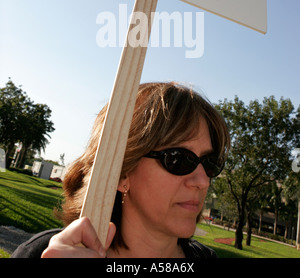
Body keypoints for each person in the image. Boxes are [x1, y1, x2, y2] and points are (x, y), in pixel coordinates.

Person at [11, 81, 230, 259]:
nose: (203, 181)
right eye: (179, 159)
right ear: (121, 172)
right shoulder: (45, 254)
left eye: (209, 163)